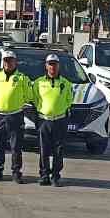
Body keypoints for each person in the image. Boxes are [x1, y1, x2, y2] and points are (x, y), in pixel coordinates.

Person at [0, 50, 33, 183]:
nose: (8, 63)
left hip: (15, 116)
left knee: (16, 146)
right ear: (3, 62)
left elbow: (29, 96)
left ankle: (16, 172)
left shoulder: (22, 78)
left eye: (10, 60)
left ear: (15, 62)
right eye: (6, 60)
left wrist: (18, 103)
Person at [33, 54, 73, 187]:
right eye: (50, 64)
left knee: (58, 150)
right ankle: (44, 175)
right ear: (46, 66)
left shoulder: (66, 83)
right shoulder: (38, 82)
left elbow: (69, 100)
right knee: (44, 150)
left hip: (60, 121)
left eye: (55, 64)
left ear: (58, 66)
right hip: (44, 120)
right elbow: (35, 99)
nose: (52, 67)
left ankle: (56, 176)